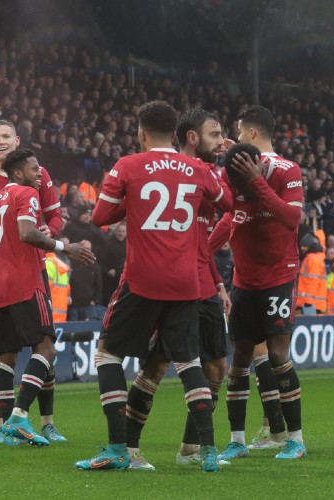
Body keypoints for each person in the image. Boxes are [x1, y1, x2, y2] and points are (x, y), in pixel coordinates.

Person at [77, 100, 230, 472]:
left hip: (143, 279)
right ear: (176, 133)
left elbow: (99, 217)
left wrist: (134, 202)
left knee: (108, 355)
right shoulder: (198, 169)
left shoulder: (128, 165)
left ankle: (118, 448)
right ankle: (208, 451)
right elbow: (227, 203)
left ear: (141, 133)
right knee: (189, 362)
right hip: (186, 282)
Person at [0, 148, 95, 446]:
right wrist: (65, 247)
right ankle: (20, 416)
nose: (40, 174)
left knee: (6, 356)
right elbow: (26, 233)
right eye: (35, 169)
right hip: (26, 285)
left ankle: (6, 430)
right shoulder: (26, 194)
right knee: (47, 351)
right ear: (19, 173)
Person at [209, 105, 307, 461]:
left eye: (237, 131)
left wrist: (257, 182)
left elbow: (292, 218)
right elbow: (232, 216)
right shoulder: (234, 170)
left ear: (252, 132)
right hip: (244, 281)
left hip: (279, 277)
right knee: (239, 360)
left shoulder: (286, 170)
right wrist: (202, 250)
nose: (232, 137)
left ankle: (295, 439)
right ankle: (237, 441)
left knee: (278, 356)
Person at [297, 233, 327, 314]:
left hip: (311, 305)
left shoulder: (313, 259)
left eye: (305, 246)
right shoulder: (311, 258)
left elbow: (313, 282)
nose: (302, 248)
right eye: (302, 246)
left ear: (311, 246)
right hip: (310, 303)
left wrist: (308, 302)